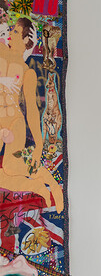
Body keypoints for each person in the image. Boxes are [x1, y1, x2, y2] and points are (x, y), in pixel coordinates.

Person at [0, 17, 63, 212]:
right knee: (5, 173)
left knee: (11, 167)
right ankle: (36, 186)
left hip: (15, 123)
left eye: (15, 32)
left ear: (26, 40)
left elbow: (33, 112)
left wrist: (39, 146)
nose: (10, 35)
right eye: (11, 31)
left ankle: (49, 181)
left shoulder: (28, 72)